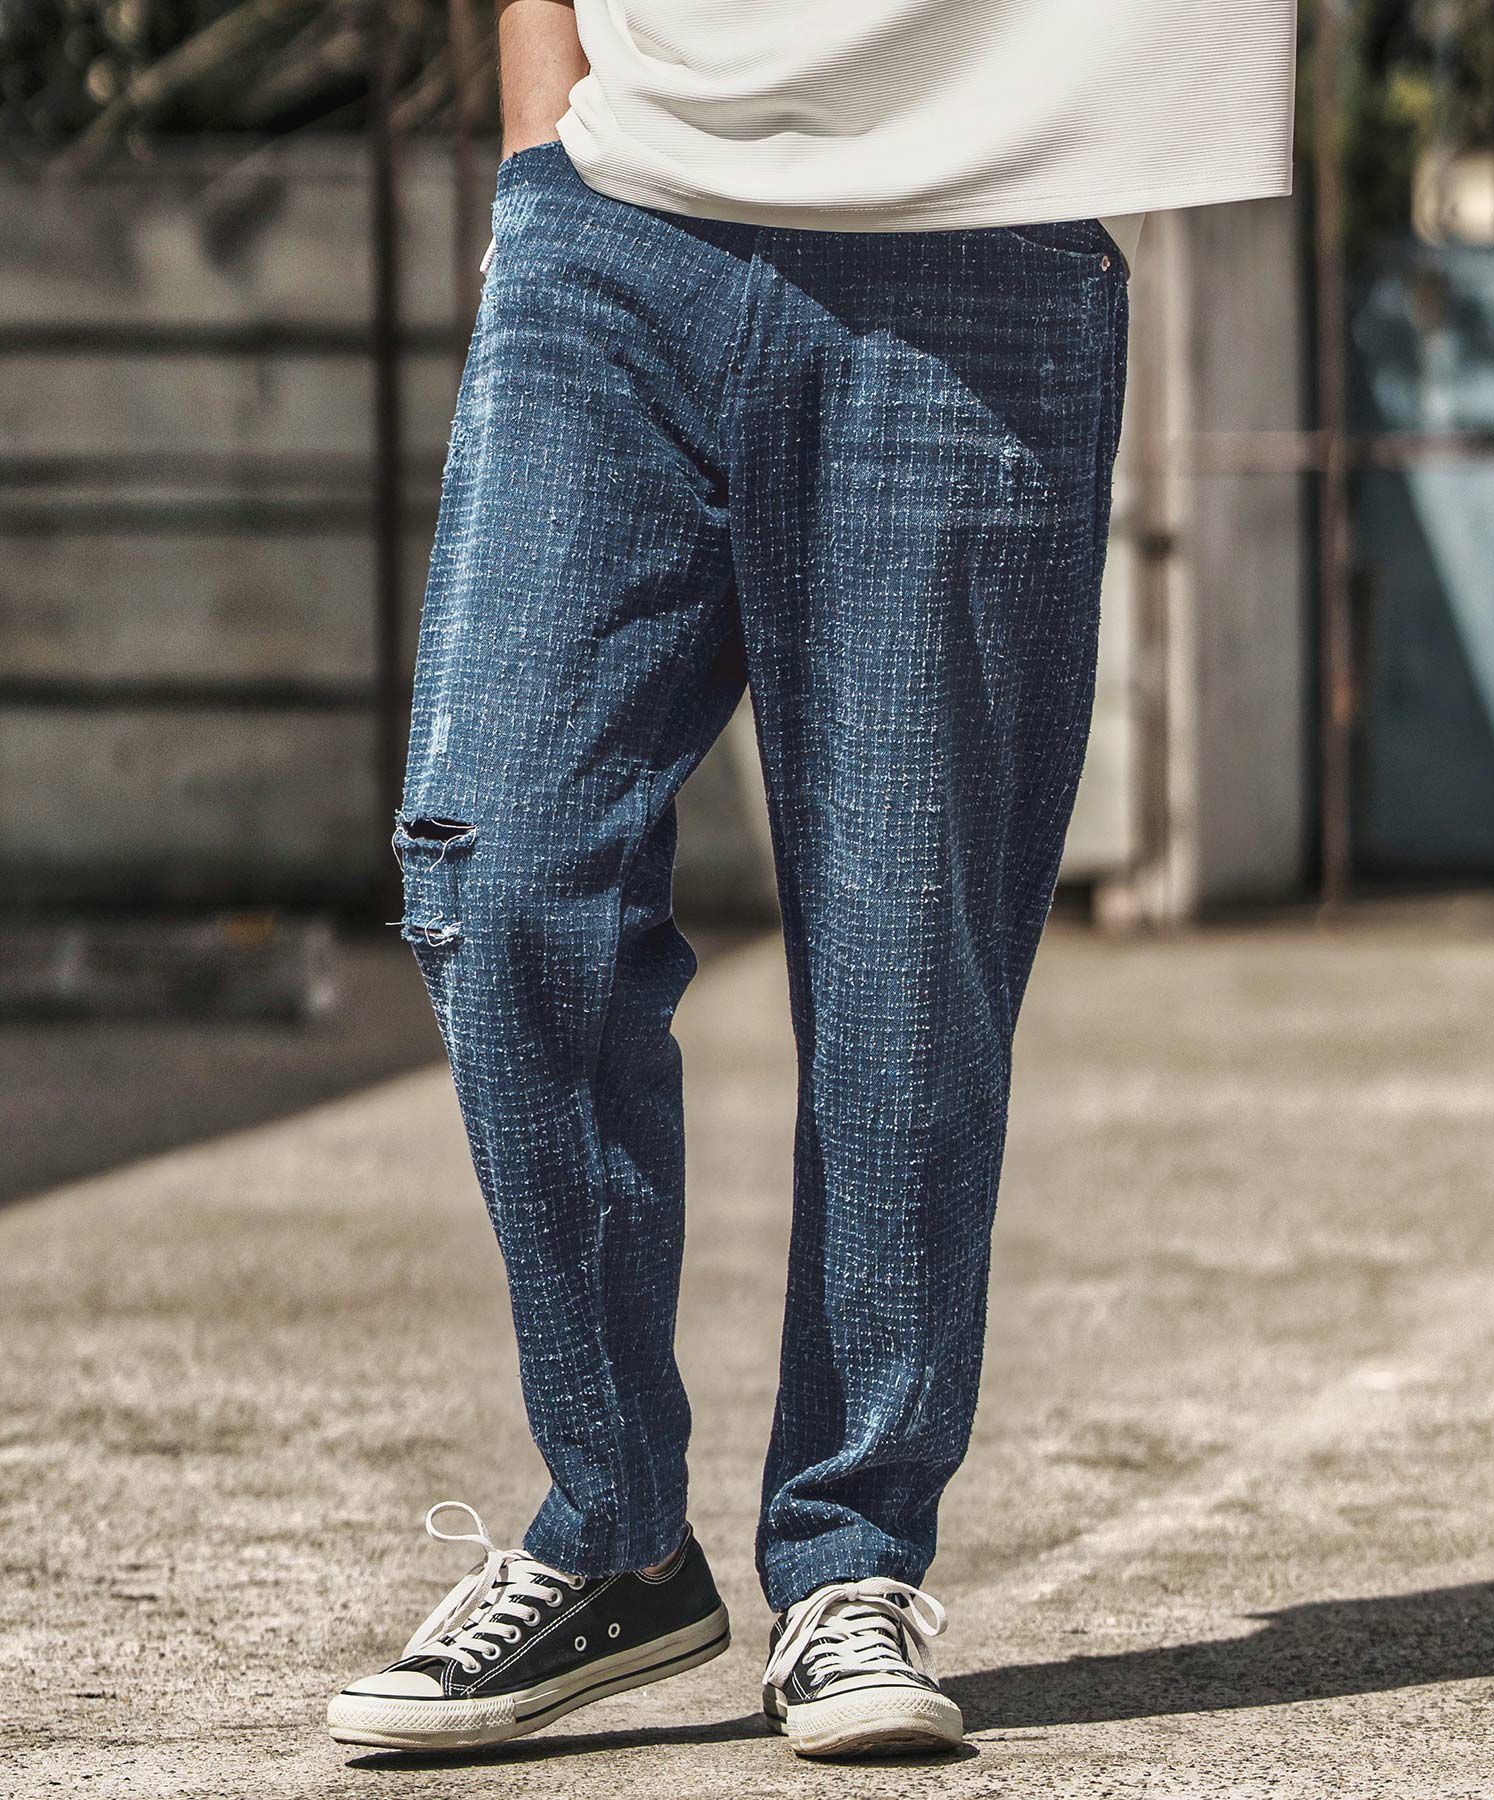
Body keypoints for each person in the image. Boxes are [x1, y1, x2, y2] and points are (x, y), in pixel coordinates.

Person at [327, 0, 1295, 1760]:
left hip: (980, 233)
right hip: (617, 212)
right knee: (502, 865)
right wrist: (543, 143)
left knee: (906, 950)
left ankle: (851, 1555)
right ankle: (617, 1530)